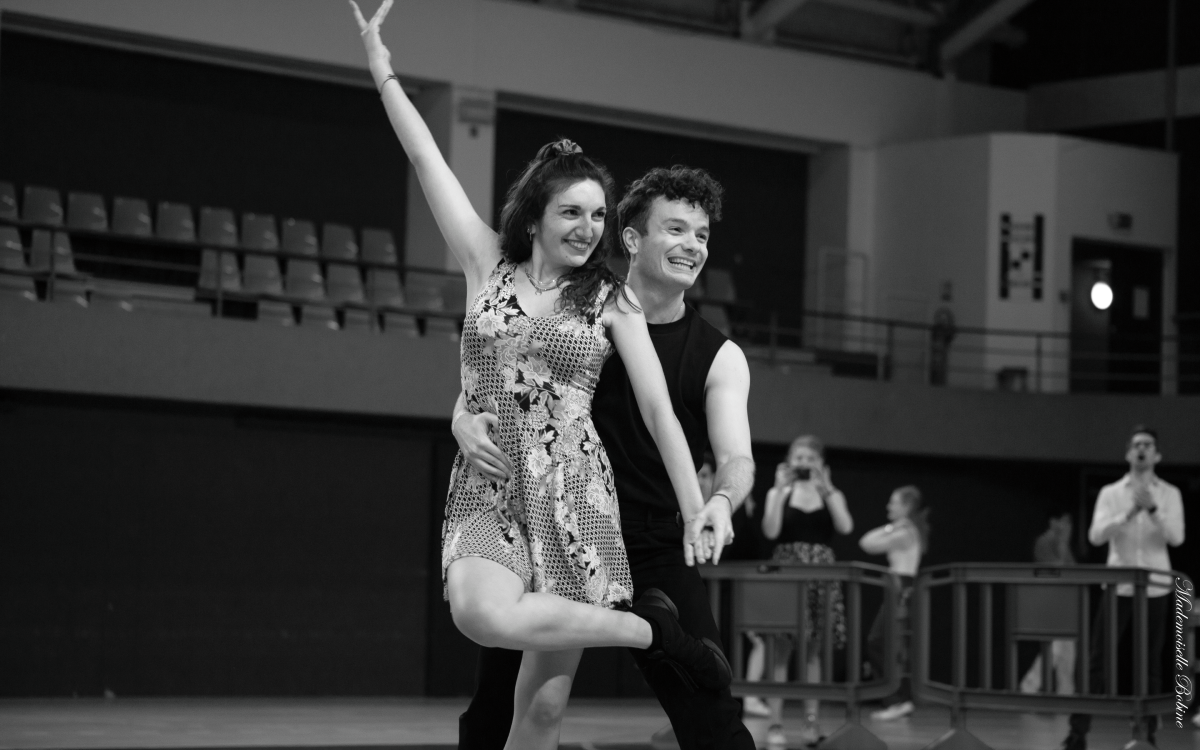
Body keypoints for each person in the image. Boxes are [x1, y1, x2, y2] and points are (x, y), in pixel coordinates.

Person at [348, 5, 731, 749]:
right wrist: (382, 68)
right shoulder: (485, 261)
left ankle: (643, 629)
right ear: (536, 214)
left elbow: (657, 412)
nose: (589, 227)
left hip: (573, 490)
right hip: (489, 484)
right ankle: (650, 632)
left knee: (544, 712)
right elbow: (427, 158)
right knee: (479, 613)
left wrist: (695, 507)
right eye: (573, 212)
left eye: (598, 214)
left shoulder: (610, 297)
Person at [452, 165, 757, 750]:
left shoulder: (720, 356)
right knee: (497, 712)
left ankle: (656, 631)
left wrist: (717, 501)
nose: (692, 246)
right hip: (554, 525)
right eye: (676, 230)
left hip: (653, 540)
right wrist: (461, 418)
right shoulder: (578, 312)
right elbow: (500, 376)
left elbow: (736, 457)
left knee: (712, 719)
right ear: (634, 240)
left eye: (702, 236)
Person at [1059, 426, 1185, 750]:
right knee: (1098, 661)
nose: (1142, 450)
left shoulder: (1169, 493)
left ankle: (1146, 735)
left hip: (1155, 587)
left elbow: (1176, 537)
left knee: (1151, 664)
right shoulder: (1111, 492)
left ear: (1157, 455)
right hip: (1118, 586)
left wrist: (1153, 509)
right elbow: (1095, 536)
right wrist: (1129, 512)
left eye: (1148, 445)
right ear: (1128, 453)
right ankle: (1077, 734)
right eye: (1137, 445)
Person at [761, 435, 855, 747]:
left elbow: (845, 527)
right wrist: (777, 491)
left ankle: (810, 723)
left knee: (814, 652)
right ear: (789, 460)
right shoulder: (779, 492)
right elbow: (770, 531)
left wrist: (827, 489)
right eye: (798, 458)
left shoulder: (831, 493)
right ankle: (775, 723)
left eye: (810, 458)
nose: (803, 463)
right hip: (786, 571)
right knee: (780, 651)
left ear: (820, 463)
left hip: (821, 574)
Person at [859, 485, 929, 721]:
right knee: (889, 644)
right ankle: (898, 700)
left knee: (883, 643)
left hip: (901, 589)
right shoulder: (906, 530)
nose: (888, 506)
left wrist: (891, 527)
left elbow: (866, 543)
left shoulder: (904, 533)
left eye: (893, 502)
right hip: (900, 588)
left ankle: (897, 700)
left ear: (906, 507)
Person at [1020, 513, 1076, 695]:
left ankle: (1066, 693)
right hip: (1048, 600)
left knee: (1068, 648)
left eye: (1069, 522)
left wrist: (1064, 543)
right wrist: (1063, 542)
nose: (1067, 525)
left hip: (1065, 601)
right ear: (1052, 521)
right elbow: (1057, 568)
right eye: (1063, 521)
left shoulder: (1062, 543)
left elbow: (1075, 569)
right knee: (1056, 647)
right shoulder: (1044, 541)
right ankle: (1029, 686)